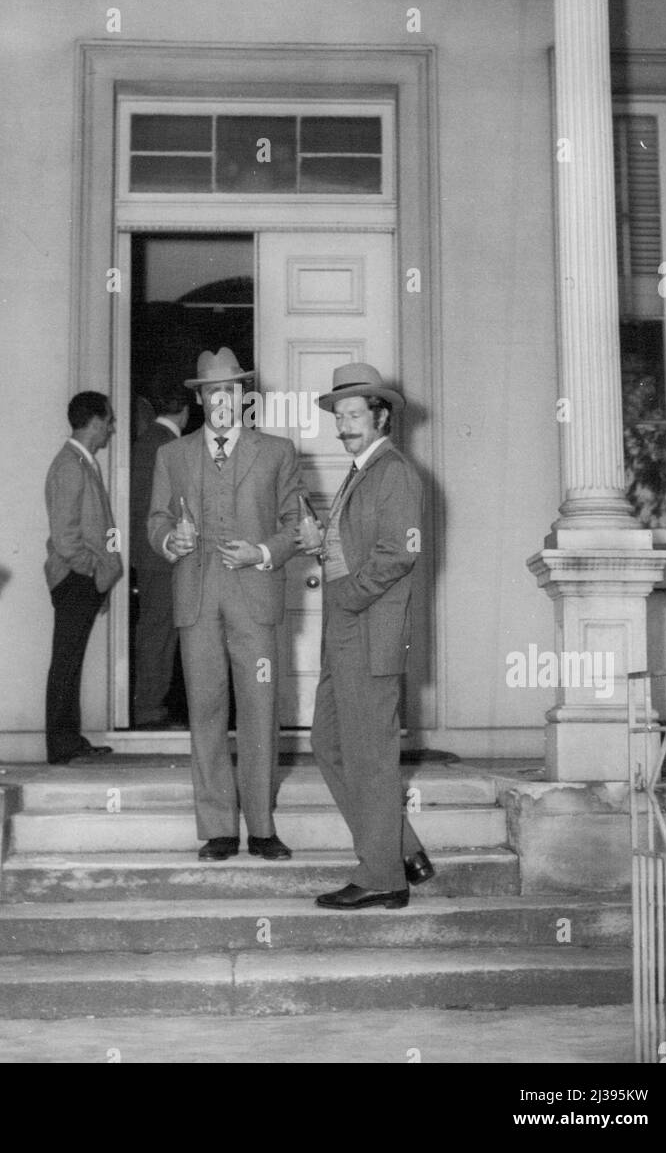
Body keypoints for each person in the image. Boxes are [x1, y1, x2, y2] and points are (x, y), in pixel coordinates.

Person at [147, 347, 303, 861]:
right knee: (206, 711)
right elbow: (155, 521)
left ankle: (261, 826)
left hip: (254, 601)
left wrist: (260, 551)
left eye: (231, 390)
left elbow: (293, 527)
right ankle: (218, 827)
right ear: (201, 399)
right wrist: (172, 541)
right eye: (212, 391)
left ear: (243, 397)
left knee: (259, 710)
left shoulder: (278, 452)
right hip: (196, 600)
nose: (222, 400)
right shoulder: (172, 455)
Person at [308, 363, 434, 909]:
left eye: (354, 414)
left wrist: (347, 595)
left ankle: (383, 876)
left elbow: (400, 552)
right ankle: (403, 850)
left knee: (369, 757)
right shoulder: (361, 471)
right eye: (339, 416)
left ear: (380, 416)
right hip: (346, 633)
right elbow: (359, 548)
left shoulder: (394, 472)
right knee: (329, 744)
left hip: (368, 633)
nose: (344, 425)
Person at [44, 391, 122, 765]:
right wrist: (93, 571)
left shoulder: (83, 463)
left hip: (84, 578)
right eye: (109, 420)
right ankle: (60, 746)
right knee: (66, 661)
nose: (112, 428)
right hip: (75, 579)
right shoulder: (70, 465)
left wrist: (101, 574)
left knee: (71, 661)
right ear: (94, 421)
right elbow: (65, 538)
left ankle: (68, 740)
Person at [130, 373, 190, 728]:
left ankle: (151, 705)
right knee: (160, 633)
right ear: (184, 410)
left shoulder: (145, 441)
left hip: (150, 555)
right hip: (164, 556)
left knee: (158, 632)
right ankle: (150, 708)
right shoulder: (169, 446)